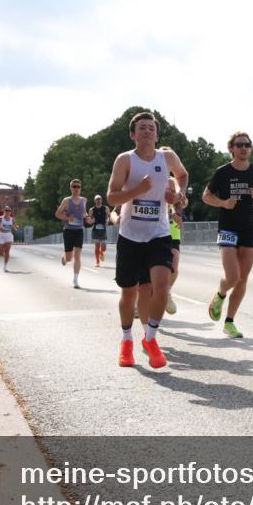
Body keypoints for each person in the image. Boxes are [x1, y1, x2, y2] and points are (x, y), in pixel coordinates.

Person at [106, 112, 188, 368]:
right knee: (129, 293)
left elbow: (182, 175)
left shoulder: (167, 158)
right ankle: (126, 341)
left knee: (160, 286)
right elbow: (112, 197)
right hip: (130, 236)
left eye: (151, 128)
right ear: (133, 134)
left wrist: (178, 195)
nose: (147, 131)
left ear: (157, 134)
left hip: (159, 234)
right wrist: (137, 191)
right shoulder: (125, 160)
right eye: (142, 128)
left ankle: (150, 338)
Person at [202, 131, 253, 339]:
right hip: (228, 228)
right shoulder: (222, 172)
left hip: (248, 228)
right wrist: (223, 203)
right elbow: (206, 196)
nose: (244, 148)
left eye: (247, 145)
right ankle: (220, 294)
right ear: (231, 148)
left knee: (243, 279)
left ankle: (229, 322)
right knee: (232, 276)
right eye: (239, 145)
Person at [55, 178, 90, 288]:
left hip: (79, 230)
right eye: (74, 186)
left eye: (78, 187)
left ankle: (75, 280)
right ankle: (65, 258)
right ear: (71, 188)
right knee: (69, 258)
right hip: (68, 231)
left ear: (80, 188)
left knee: (77, 256)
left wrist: (87, 218)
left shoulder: (84, 200)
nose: (76, 188)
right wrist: (67, 218)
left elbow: (84, 212)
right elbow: (57, 214)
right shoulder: (66, 201)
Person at [165, 173, 186, 315]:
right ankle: (140, 299)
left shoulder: (173, 181)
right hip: (153, 231)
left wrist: (177, 212)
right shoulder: (150, 177)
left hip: (172, 232)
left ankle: (166, 292)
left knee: (174, 264)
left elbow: (182, 201)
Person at [0, 206, 19, 271]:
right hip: (1, 236)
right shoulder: (0, 218)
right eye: (6, 211)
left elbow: (15, 226)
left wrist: (16, 227)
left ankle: (5, 266)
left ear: (10, 212)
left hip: (9, 236)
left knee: (7, 251)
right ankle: (6, 257)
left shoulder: (12, 219)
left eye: (9, 211)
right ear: (4, 212)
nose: (8, 212)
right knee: (0, 254)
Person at [89, 194, 112, 267]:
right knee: (97, 246)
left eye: (99, 199)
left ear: (101, 200)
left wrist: (107, 220)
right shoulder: (92, 209)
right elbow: (89, 219)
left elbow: (109, 216)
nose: (98, 200)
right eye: (97, 199)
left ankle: (101, 253)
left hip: (103, 229)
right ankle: (97, 261)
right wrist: (91, 220)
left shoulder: (106, 208)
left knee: (104, 248)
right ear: (95, 201)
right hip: (95, 230)